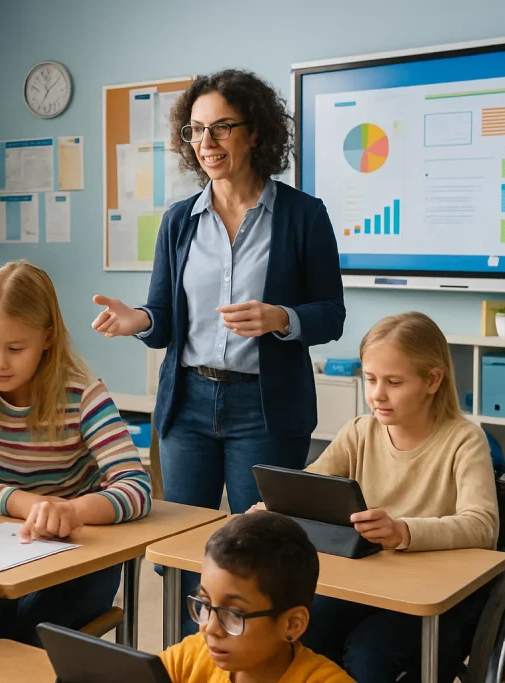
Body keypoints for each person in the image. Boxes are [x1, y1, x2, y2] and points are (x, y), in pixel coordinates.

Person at [91, 68, 345, 637]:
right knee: (185, 552)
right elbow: (162, 320)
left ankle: (257, 662)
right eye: (195, 131)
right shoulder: (180, 220)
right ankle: (191, 661)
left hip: (265, 406)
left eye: (221, 128)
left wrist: (283, 319)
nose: (205, 143)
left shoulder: (304, 215)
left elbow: (332, 313)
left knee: (256, 552)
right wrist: (139, 321)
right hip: (188, 404)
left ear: (254, 132)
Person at [254, 312, 498, 682]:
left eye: (394, 382)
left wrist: (403, 531)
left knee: (369, 655)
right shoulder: (360, 431)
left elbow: (482, 525)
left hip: (436, 595)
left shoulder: (464, 440)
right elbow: (309, 485)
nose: (377, 394)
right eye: (370, 380)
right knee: (301, 628)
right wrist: (271, 508)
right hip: (369, 584)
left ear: (432, 380)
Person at [0, 259, 151, 645]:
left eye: (15, 348)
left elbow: (136, 488)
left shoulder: (82, 393)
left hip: (82, 550)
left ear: (48, 339)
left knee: (29, 638)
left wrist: (70, 511)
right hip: (1, 548)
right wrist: (37, 507)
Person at [160, 512, 353, 683]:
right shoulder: (191, 657)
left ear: (292, 624)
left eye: (234, 614)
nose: (209, 628)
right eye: (206, 604)